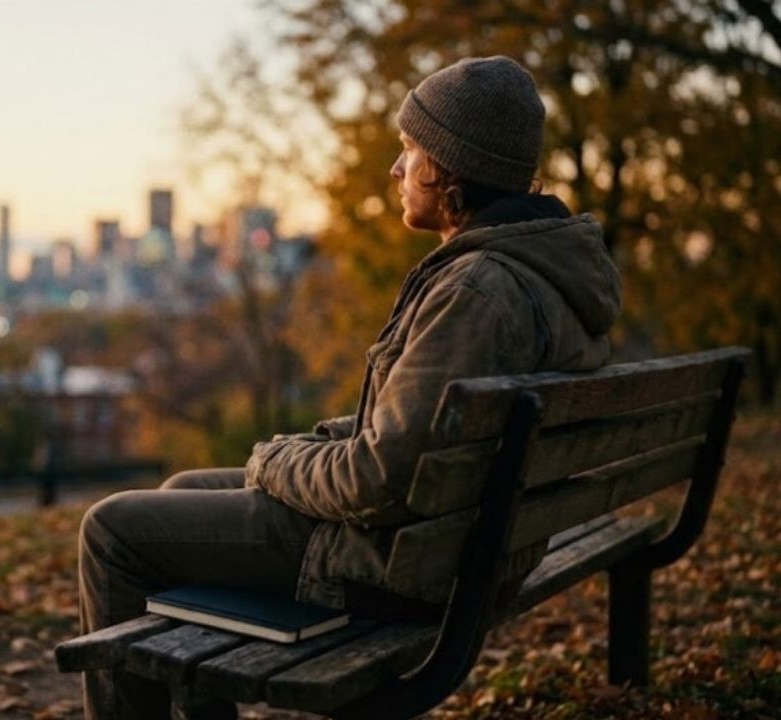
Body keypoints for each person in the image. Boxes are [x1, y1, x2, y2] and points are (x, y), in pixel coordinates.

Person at [77, 55, 621, 720]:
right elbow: (419, 426)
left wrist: (278, 461)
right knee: (180, 491)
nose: (396, 170)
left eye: (408, 149)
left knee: (111, 531)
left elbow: (377, 478)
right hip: (453, 542)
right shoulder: (532, 274)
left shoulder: (478, 291)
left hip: (399, 565)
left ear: (447, 170)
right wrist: (314, 445)